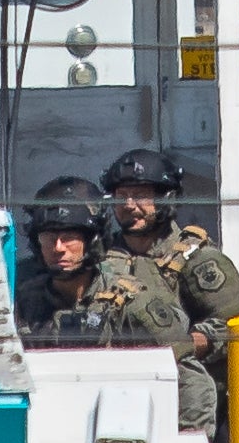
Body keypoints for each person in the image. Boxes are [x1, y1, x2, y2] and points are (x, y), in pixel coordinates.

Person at [19, 175, 213, 425]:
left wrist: (186, 442)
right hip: (47, 427)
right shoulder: (20, 304)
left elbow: (192, 381)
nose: (58, 248)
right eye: (48, 237)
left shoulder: (130, 301)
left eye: (69, 237)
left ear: (92, 240)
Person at [101, 144, 239, 366]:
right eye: (121, 196)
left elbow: (234, 324)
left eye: (140, 195)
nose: (129, 205)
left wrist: (185, 345)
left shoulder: (196, 257)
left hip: (184, 378)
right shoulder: (101, 259)